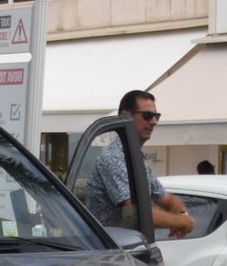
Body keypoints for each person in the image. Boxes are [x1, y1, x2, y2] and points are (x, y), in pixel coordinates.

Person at [83, 91, 195, 237]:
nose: (153, 121)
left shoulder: (137, 159)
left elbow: (166, 199)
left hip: (130, 248)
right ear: (125, 116)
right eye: (147, 116)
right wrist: (181, 222)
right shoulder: (113, 158)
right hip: (110, 251)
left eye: (156, 116)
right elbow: (135, 213)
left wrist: (182, 214)